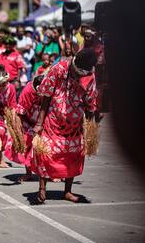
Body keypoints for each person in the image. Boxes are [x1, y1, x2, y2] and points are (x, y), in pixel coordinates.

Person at [32, 48, 98, 204]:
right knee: (46, 153)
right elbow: (46, 96)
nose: (78, 76)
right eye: (76, 73)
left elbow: (90, 105)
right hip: (53, 121)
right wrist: (39, 123)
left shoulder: (90, 77)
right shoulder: (59, 68)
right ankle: (42, 188)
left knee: (73, 155)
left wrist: (90, 129)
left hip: (74, 126)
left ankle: (67, 191)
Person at [11, 75, 44, 182]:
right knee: (26, 144)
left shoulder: (50, 89)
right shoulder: (27, 92)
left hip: (44, 120)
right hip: (27, 120)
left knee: (46, 147)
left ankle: (49, 173)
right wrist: (18, 132)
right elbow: (20, 114)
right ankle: (28, 173)